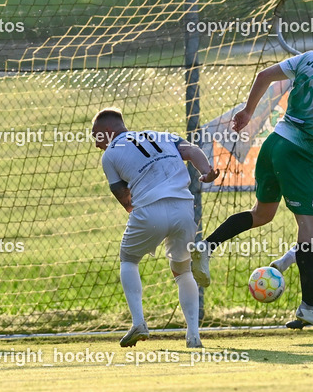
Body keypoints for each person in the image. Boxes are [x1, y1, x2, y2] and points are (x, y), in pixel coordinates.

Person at [191, 15, 313, 333]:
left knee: (262, 214)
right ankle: (311, 307)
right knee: (311, 229)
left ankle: (206, 246)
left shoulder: (308, 57)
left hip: (274, 142)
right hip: (298, 150)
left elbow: (264, 75)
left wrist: (247, 111)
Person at [92, 108, 219, 348]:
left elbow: (123, 196)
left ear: (107, 132)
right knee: (183, 270)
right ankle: (193, 335)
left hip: (149, 210)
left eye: (96, 136)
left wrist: (145, 217)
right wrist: (205, 172)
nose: (96, 144)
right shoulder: (162, 135)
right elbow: (192, 151)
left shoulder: (109, 155)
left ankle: (139, 322)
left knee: (128, 259)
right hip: (184, 208)